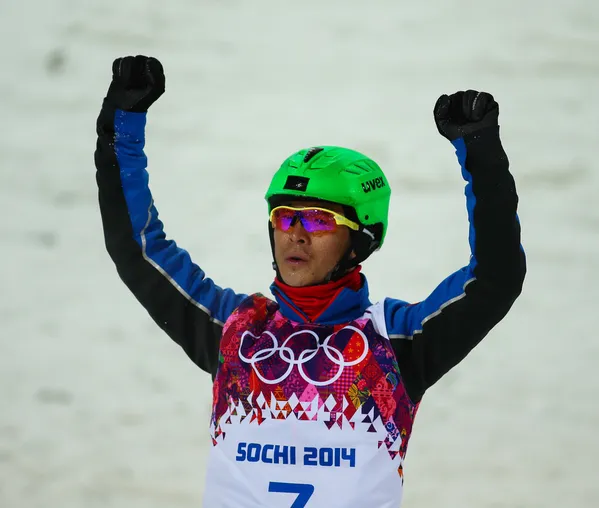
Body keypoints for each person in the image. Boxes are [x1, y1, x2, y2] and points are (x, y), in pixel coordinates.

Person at [94, 55, 526, 508]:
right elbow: (138, 249)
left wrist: (480, 152)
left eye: (319, 220)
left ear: (359, 240)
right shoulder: (236, 332)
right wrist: (122, 125)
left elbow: (495, 278)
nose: (296, 234)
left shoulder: (395, 343)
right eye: (284, 217)